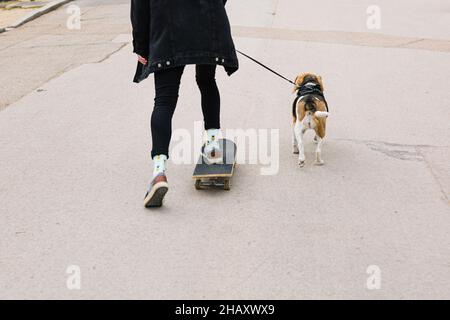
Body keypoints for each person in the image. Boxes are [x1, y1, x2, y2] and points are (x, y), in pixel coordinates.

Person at [131, 0, 239, 207]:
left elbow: (139, 6)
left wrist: (141, 45)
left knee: (164, 100)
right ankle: (213, 146)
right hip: (206, 24)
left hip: (167, 31)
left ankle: (159, 172)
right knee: (207, 81)